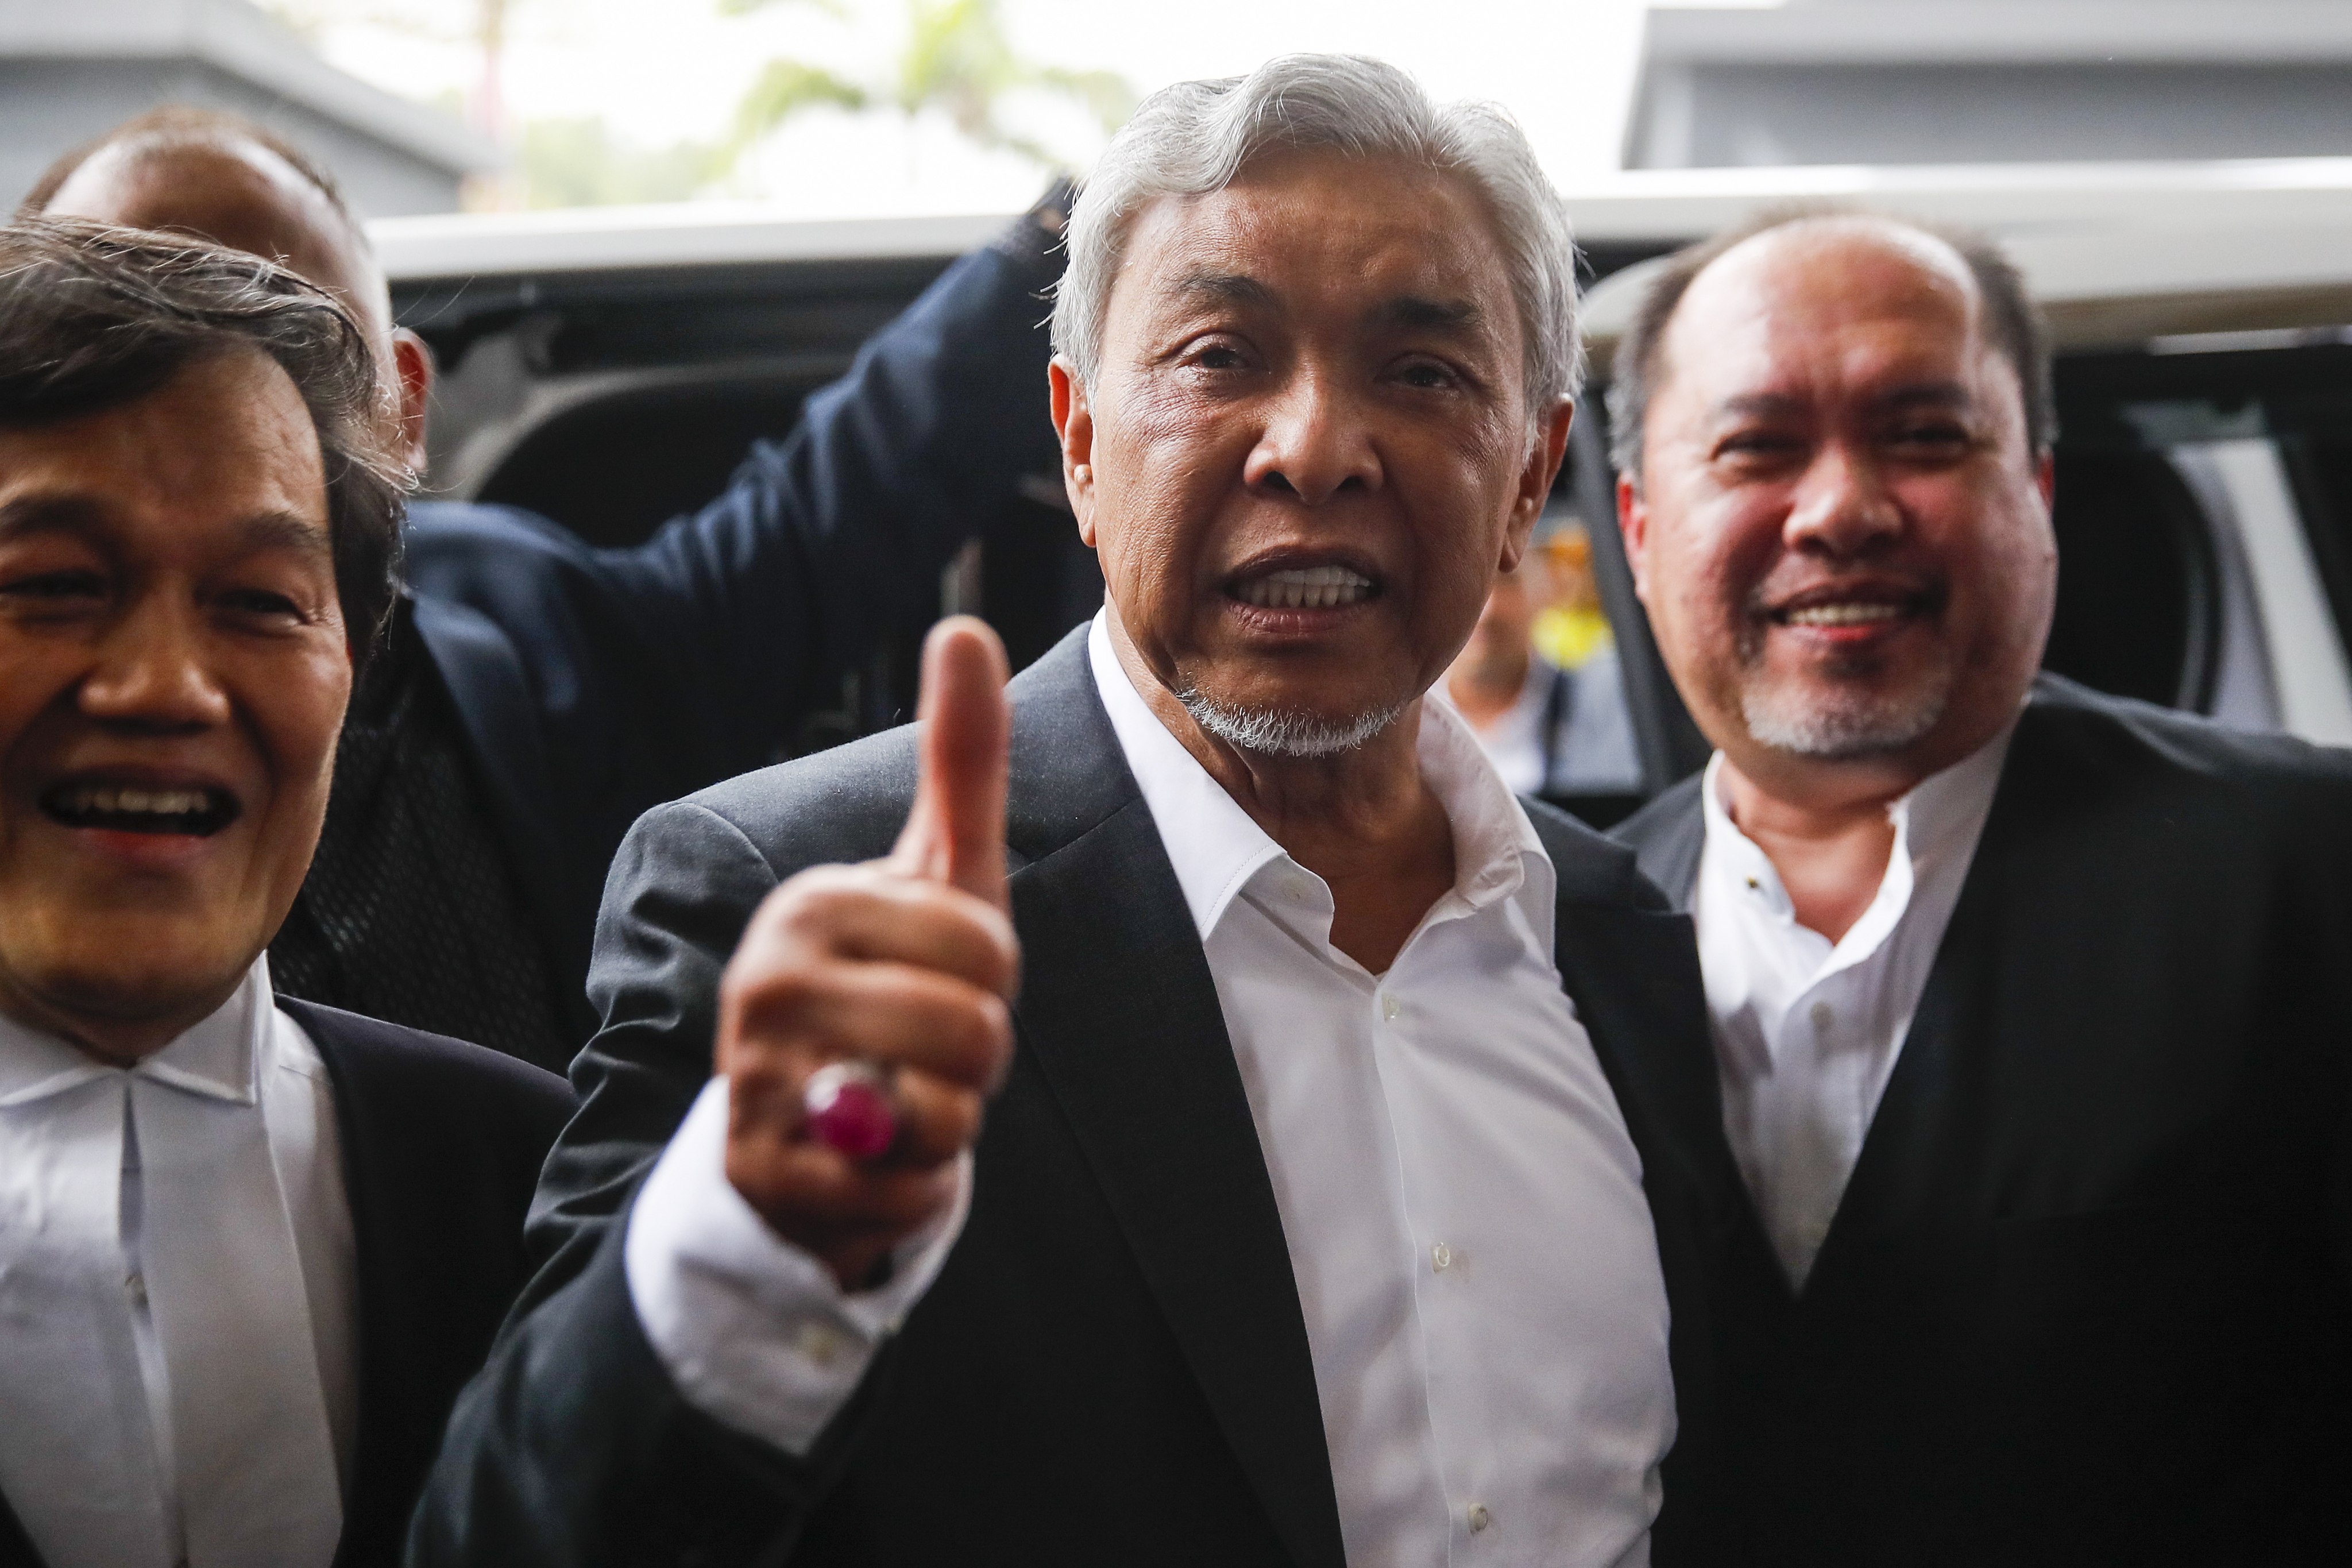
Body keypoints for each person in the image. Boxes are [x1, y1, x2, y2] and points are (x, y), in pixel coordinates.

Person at [410, 55, 1733, 1568]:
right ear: (1079, 439)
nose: (1309, 444)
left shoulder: (1626, 938)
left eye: (1422, 372)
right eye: (1219, 353)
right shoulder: (795, 905)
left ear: (1532, 476)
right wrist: (749, 1251)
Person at [1607, 208, 2352, 1562]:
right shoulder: (1553, 948)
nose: (1840, 508)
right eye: (1757, 447)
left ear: (2039, 495)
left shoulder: (2310, 879)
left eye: (1926, 436)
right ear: (1643, 528)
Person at [22, 107, 1069, 1071]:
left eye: (298, 354)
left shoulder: (525, 610)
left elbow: (831, 513)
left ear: (400, 410)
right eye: (56, 584)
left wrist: (1105, 222)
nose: (211, 414)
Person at [0, 221, 574, 1568]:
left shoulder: (540, 1186)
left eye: (259, 602)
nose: (163, 688)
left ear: (356, 663)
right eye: (51, 587)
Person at [1441, 537, 1640, 799]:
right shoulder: (1394, 725)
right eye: (1464, 583)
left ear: (1544, 592)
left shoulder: (1609, 710)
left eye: (1509, 581)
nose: (1488, 609)